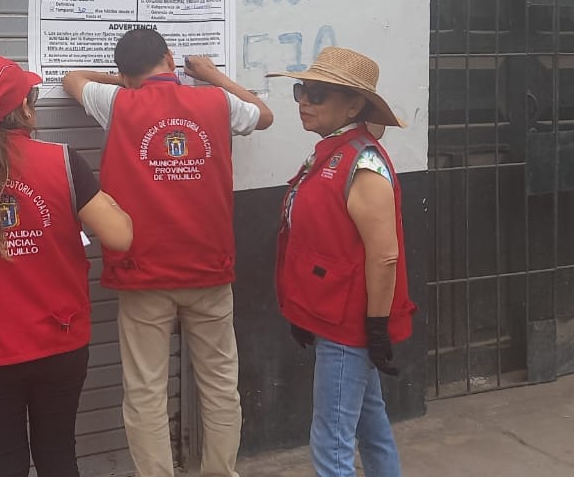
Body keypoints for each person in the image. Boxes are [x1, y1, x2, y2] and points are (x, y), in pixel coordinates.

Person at [62, 28, 273, 477]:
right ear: (170, 57)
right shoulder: (216, 101)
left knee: (145, 391)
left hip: (143, 275)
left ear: (125, 72)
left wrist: (124, 83)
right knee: (219, 385)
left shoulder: (116, 102)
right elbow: (265, 115)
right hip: (209, 271)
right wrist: (214, 76)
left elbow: (71, 77)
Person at [0, 55, 134, 477]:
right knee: (57, 456)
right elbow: (120, 237)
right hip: (56, 336)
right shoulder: (62, 162)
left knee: (3, 461)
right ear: (26, 107)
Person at [266, 47, 417, 477]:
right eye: (301, 91)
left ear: (354, 105)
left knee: (331, 445)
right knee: (371, 427)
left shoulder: (363, 163)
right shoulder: (331, 151)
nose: (304, 102)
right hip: (332, 316)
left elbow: (385, 256)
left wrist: (374, 327)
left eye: (318, 94)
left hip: (347, 326)